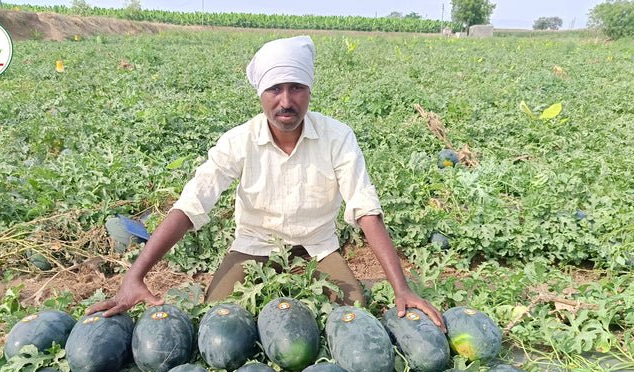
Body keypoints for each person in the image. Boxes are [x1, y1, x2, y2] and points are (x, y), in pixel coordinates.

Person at [88, 35, 444, 330]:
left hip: (316, 248)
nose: (286, 101)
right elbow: (192, 203)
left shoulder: (337, 138)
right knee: (218, 317)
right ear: (260, 93)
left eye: (296, 88)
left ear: (309, 90)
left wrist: (402, 287)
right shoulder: (238, 141)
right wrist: (135, 275)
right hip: (253, 246)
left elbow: (365, 209)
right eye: (275, 89)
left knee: (354, 312)